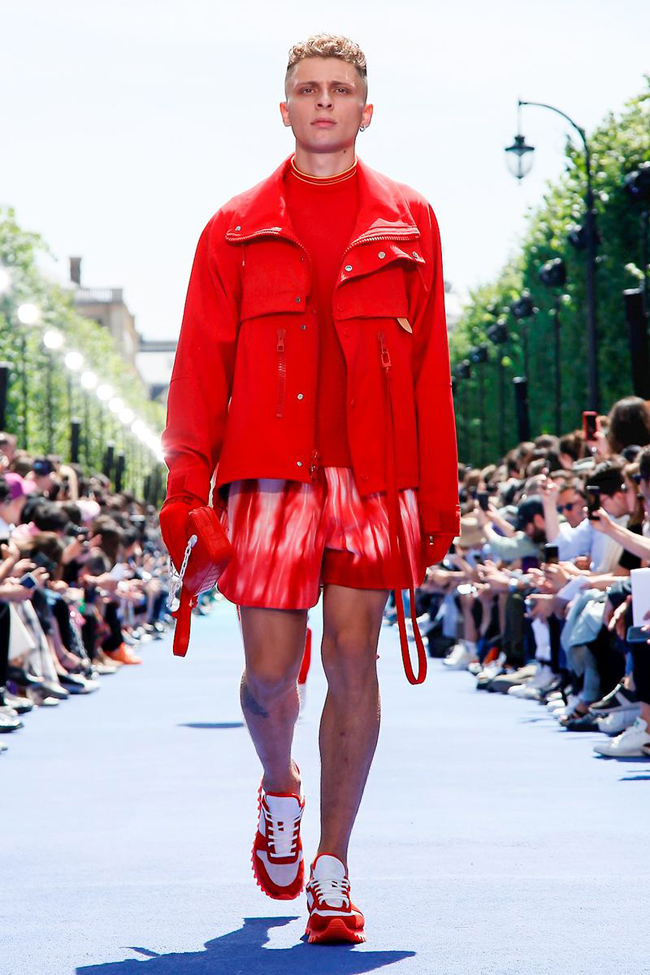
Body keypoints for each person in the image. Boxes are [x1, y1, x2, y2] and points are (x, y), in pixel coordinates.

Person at [159, 32, 459, 945]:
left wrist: (435, 495)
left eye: (338, 89)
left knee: (354, 661)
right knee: (264, 678)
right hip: (264, 476)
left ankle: (332, 866)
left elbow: (428, 369)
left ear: (366, 109)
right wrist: (186, 488)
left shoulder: (412, 220)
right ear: (282, 108)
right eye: (305, 88)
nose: (322, 101)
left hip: (373, 481)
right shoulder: (232, 225)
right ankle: (279, 790)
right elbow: (201, 367)